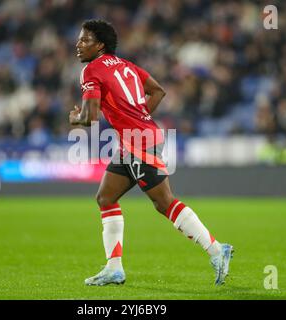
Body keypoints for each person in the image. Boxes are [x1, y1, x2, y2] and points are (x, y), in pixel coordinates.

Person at [69, 19, 233, 286]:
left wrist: (75, 118)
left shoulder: (91, 70)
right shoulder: (127, 66)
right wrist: (140, 117)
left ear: (100, 46)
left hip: (139, 143)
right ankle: (114, 268)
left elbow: (90, 117)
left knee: (164, 202)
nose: (78, 45)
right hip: (135, 139)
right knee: (106, 197)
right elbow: (158, 91)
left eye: (85, 40)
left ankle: (217, 250)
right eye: (79, 39)